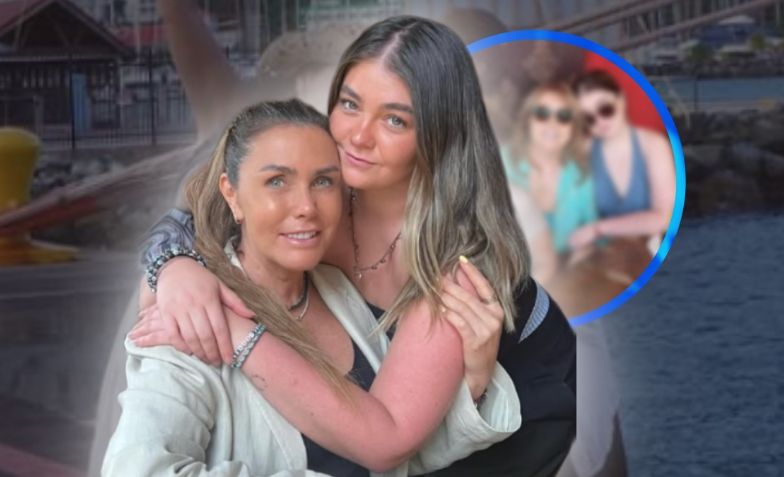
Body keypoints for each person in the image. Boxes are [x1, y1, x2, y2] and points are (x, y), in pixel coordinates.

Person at [123, 13, 575, 477]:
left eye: (395, 120)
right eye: (350, 104)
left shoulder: (456, 259)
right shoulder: (311, 165)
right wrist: (173, 267)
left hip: (521, 384)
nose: (358, 136)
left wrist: (234, 332)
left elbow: (387, 440)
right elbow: (191, 212)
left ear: (438, 134)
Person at [103, 99, 520, 476]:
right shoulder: (189, 321)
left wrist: (473, 384)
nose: (306, 207)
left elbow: (391, 452)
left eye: (323, 182)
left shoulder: (339, 290)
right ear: (232, 194)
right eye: (277, 181)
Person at [569, 70, 675, 252]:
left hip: (646, 253)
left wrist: (598, 229)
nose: (600, 121)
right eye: (588, 118)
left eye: (606, 109)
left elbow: (665, 217)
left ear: (621, 99)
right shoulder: (583, 151)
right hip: (599, 255)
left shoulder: (653, 145)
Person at [503, 82, 597, 260]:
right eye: (542, 114)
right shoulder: (498, 163)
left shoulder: (581, 177)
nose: (553, 123)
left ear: (573, 127)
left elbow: (593, 231)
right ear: (527, 120)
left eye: (564, 116)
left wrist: (585, 251)